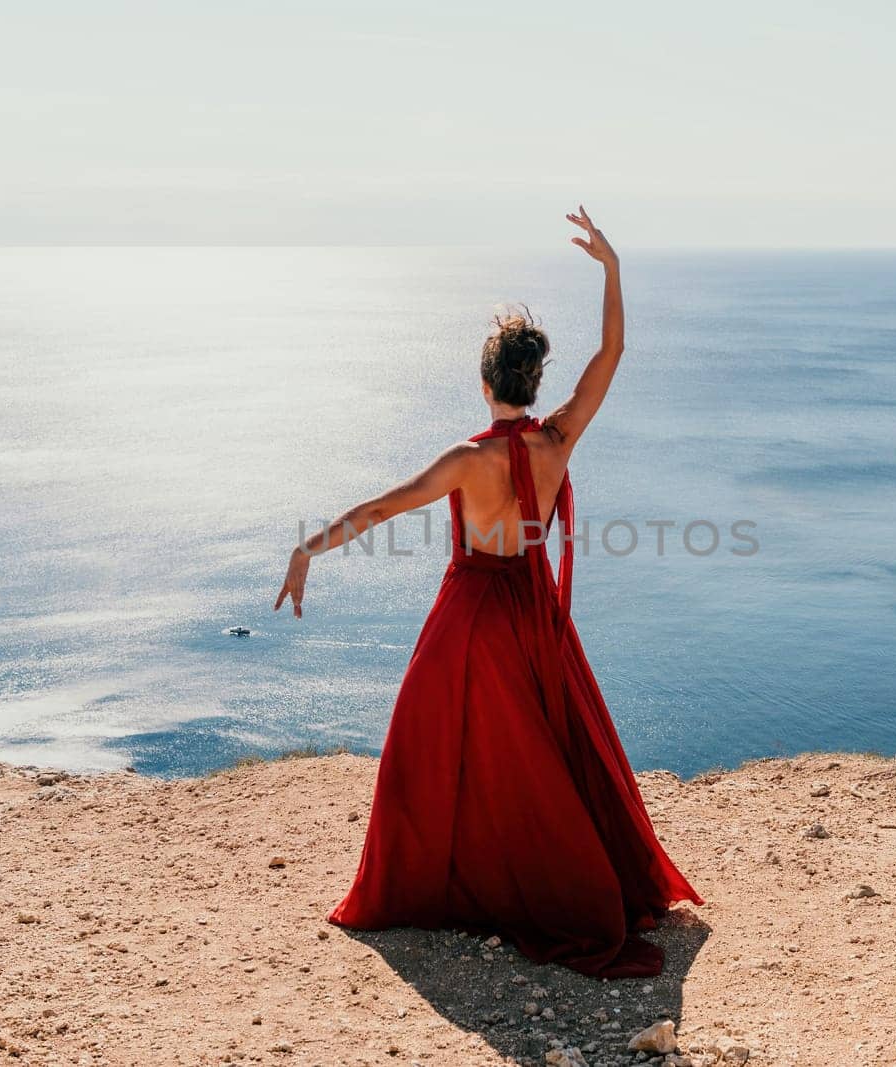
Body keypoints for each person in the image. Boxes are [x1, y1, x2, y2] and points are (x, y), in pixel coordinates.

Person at [274, 207, 702, 977]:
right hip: (534, 615)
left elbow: (378, 510)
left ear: (483, 383)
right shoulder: (558, 439)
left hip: (471, 617)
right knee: (554, 749)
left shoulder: (464, 459)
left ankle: (443, 886)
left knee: (431, 748)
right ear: (534, 382)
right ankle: (561, 875)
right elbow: (613, 350)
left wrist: (309, 548)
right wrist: (611, 266)